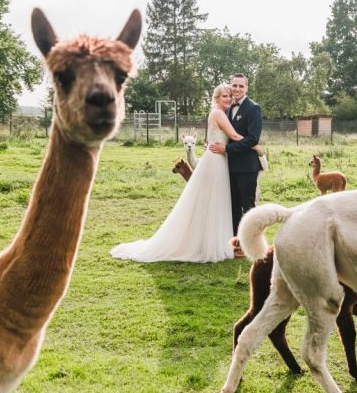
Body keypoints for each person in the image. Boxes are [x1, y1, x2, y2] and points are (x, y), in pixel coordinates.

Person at [111, 84, 257, 263]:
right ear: (217, 98)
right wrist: (255, 145)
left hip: (217, 158)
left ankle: (211, 241)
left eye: (229, 96)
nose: (228, 99)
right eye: (224, 96)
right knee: (214, 200)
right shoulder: (218, 113)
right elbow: (234, 136)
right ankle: (210, 244)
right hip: (216, 161)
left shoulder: (218, 113)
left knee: (215, 201)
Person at [208, 74, 263, 257]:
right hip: (228, 166)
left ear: (246, 88)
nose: (237, 89)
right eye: (234, 85)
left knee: (248, 207)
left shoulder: (253, 108)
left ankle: (252, 246)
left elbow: (253, 138)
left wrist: (227, 149)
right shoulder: (227, 108)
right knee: (232, 206)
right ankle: (236, 244)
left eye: (241, 86)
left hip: (247, 166)